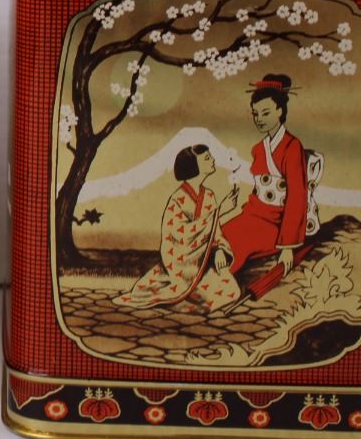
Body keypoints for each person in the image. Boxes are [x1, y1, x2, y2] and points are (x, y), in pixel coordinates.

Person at [113, 144, 243, 311]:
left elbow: (215, 231)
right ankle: (180, 298)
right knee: (205, 296)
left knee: (232, 291)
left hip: (204, 262)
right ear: (194, 166)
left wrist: (218, 250)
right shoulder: (177, 199)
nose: (213, 160)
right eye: (207, 158)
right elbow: (180, 236)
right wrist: (219, 212)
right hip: (181, 267)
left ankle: (187, 298)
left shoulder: (209, 195)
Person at [220, 74, 312, 288]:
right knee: (219, 236)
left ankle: (219, 287)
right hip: (253, 214)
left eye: (266, 113)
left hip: (275, 224)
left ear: (280, 111)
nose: (259, 119)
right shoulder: (259, 149)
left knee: (239, 245)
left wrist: (287, 246)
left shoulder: (292, 147)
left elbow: (296, 197)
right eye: (255, 114)